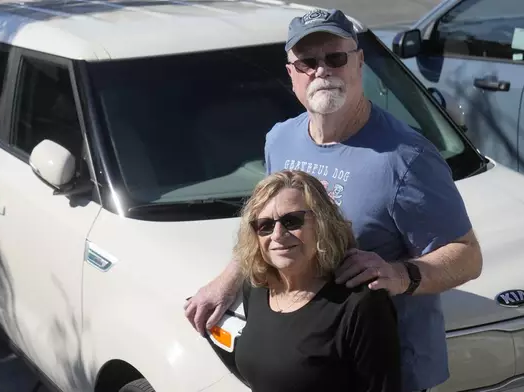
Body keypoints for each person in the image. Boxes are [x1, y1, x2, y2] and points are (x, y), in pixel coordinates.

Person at [184, 8, 483, 392]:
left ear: (359, 63)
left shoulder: (406, 158)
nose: (321, 70)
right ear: (292, 73)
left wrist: (400, 273)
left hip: (385, 373)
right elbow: (272, 226)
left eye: (335, 58)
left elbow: (467, 255)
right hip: (312, 367)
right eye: (308, 62)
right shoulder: (280, 139)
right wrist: (227, 282)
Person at [233, 170, 401, 392]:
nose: (277, 235)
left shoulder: (360, 304)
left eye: (292, 221)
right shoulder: (256, 288)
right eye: (264, 225)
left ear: (322, 224)